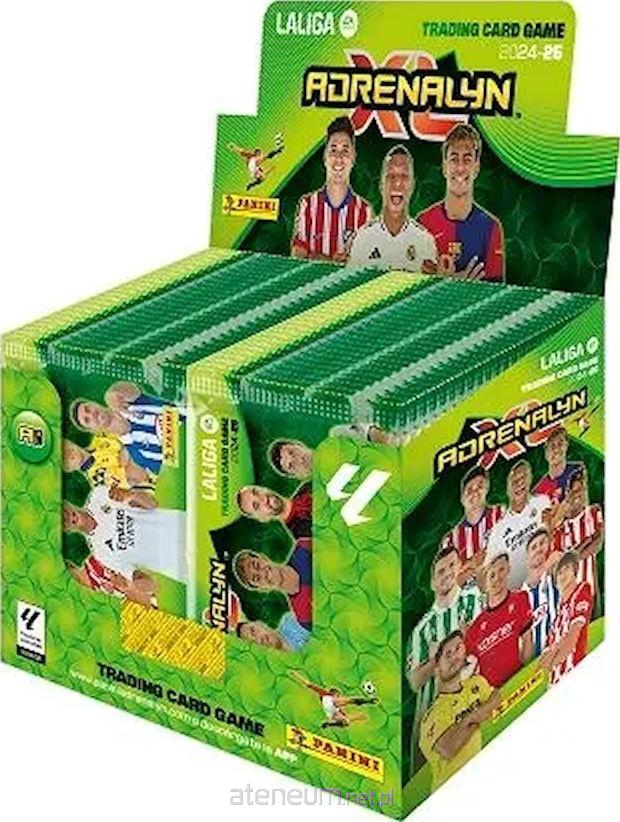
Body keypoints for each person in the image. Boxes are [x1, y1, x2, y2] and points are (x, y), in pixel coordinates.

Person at [406, 546, 482, 734]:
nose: (447, 573)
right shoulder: (422, 629)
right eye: (441, 571)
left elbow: (483, 644)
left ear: (459, 567)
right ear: (432, 583)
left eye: (452, 565)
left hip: (472, 702)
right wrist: (436, 660)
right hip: (432, 720)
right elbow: (414, 682)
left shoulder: (473, 598)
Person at [417, 123, 505, 281]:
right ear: (444, 167)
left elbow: (496, 292)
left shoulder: (491, 227)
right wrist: (457, 283)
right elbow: (414, 288)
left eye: (467, 159)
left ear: (476, 168)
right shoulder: (424, 223)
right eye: (454, 159)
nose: (460, 168)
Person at [419, 631, 500, 790]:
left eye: (458, 649)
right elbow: (448, 749)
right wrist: (476, 716)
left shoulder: (476, 683)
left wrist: (467, 721)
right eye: (447, 654)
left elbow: (496, 697)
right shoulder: (432, 715)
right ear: (436, 667)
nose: (454, 657)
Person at [62, 483, 186, 585]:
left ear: (67, 503)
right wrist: (135, 584)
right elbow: (141, 580)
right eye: (61, 521)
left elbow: (152, 504)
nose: (65, 517)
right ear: (66, 530)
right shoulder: (101, 553)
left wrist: (131, 495)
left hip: (183, 527)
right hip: (181, 563)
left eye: (62, 511)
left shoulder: (99, 496)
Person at [291, 116, 371, 262]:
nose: (339, 158)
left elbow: (367, 261)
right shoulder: (308, 204)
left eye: (345, 151)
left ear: (353, 157)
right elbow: (297, 254)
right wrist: (330, 260)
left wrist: (350, 262)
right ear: (325, 157)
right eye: (333, 150)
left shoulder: (364, 211)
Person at [347, 145, 437, 272]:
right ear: (381, 185)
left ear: (412, 185)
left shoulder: (425, 241)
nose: (397, 183)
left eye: (404, 177)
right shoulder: (363, 238)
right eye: (391, 176)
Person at [72, 382, 183, 476]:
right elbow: (174, 472)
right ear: (93, 431)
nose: (92, 414)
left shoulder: (129, 403)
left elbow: (129, 389)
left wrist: (112, 393)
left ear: (94, 403)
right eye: (87, 420)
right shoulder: (139, 454)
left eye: (88, 408)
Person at [465, 553, 533, 687]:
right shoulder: (475, 628)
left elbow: (527, 641)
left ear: (508, 569)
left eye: (501, 570)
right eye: (492, 575)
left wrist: (525, 676)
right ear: (485, 583)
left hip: (518, 682)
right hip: (491, 693)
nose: (497, 578)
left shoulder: (520, 599)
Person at [485, 460, 555, 589]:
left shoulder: (542, 503)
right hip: (517, 592)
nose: (519, 483)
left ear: (530, 480)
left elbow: (554, 536)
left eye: (523, 478)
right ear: (507, 488)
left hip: (547, 580)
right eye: (514, 481)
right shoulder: (498, 529)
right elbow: (489, 570)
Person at [442, 466, 505, 586]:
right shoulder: (450, 540)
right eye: (469, 489)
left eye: (480, 486)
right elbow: (449, 584)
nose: (475, 493)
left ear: (487, 489)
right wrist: (472, 565)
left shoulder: (501, 514)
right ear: (462, 498)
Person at [233, 537, 312, 630]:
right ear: (262, 589)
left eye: (256, 565)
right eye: (256, 578)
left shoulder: (304, 548)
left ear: (263, 557)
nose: (262, 573)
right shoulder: (303, 616)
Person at [539, 552, 593, 685]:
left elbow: (572, 639)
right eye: (559, 572)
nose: (563, 575)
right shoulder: (557, 619)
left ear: (575, 570)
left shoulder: (581, 591)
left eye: (567, 568)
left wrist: (552, 659)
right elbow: (544, 658)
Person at [552, 467, 604, 597]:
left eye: (583, 490)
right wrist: (584, 545)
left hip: (590, 588)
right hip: (568, 594)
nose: (579, 495)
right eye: (575, 491)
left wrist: (574, 557)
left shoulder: (594, 511)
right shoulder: (562, 526)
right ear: (568, 493)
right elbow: (558, 560)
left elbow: (598, 542)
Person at [289, 671, 378, 729]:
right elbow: (308, 684)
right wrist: (296, 675)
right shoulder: (325, 694)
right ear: (334, 693)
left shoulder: (338, 708)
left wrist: (358, 717)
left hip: (331, 714)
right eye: (338, 695)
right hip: (331, 704)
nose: (339, 696)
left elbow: (346, 717)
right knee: (344, 701)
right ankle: (368, 701)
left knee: (346, 722)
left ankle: (329, 724)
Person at [62, 437, 154, 491]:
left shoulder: (99, 437)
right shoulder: (98, 482)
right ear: (66, 469)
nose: (66, 452)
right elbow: (138, 476)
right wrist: (126, 447)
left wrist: (126, 453)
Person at [522, 529, 559, 658]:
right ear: (527, 558)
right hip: (537, 660)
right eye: (534, 547)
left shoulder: (558, 573)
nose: (538, 549)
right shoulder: (522, 595)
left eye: (542, 543)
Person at [237, 482, 312, 539]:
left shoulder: (308, 486)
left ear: (264, 488)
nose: (263, 499)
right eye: (256, 505)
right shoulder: (303, 537)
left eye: (256, 492)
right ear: (262, 519)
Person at [533, 427, 581, 504]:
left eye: (560, 444)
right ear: (545, 451)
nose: (556, 450)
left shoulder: (578, 470)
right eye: (552, 445)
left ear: (566, 446)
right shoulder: (538, 491)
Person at [236, 612, 310, 652]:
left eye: (253, 631)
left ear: (260, 623)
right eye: (252, 642)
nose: (258, 639)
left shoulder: (291, 621)